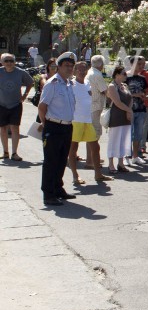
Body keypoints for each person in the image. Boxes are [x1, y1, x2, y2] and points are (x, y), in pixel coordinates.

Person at [37, 52, 78, 206]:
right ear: (58, 67)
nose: (70, 68)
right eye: (66, 65)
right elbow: (42, 107)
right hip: (53, 125)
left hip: (67, 126)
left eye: (71, 66)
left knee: (61, 160)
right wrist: (45, 123)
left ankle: (58, 188)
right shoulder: (52, 83)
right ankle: (48, 194)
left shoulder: (69, 84)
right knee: (51, 161)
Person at [68, 61, 112, 185]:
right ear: (75, 71)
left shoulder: (87, 83)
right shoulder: (71, 84)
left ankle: (98, 174)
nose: (82, 72)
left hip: (88, 120)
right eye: (79, 69)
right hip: (75, 121)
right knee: (73, 149)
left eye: (84, 69)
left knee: (95, 147)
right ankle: (75, 176)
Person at [0, 53, 34, 161]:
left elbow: (30, 83)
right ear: (2, 62)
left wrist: (24, 95)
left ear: (14, 62)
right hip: (2, 104)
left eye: (11, 61)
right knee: (3, 128)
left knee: (15, 128)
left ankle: (14, 153)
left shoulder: (20, 72)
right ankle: (5, 152)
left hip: (16, 104)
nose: (9, 63)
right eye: (6, 61)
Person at [106, 66, 133, 174]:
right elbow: (117, 102)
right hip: (116, 116)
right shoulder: (112, 86)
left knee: (123, 140)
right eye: (123, 73)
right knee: (114, 139)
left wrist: (128, 111)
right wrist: (129, 111)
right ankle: (111, 164)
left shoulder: (124, 86)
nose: (125, 75)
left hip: (126, 116)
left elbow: (130, 99)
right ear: (117, 74)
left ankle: (121, 163)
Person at [125, 56, 148, 165]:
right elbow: (121, 92)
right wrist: (136, 94)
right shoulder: (125, 76)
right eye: (139, 64)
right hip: (128, 109)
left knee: (138, 134)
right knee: (127, 134)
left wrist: (145, 96)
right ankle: (126, 156)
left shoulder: (142, 78)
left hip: (140, 108)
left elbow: (146, 91)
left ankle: (135, 156)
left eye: (143, 64)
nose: (141, 66)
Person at [85, 55, 108, 168]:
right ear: (101, 65)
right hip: (95, 107)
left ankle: (92, 158)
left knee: (91, 133)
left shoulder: (89, 72)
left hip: (91, 106)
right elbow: (105, 90)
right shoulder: (97, 75)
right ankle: (91, 160)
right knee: (94, 134)